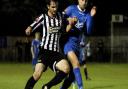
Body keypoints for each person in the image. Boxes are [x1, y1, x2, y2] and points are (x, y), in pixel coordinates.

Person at [24, 0, 73, 89]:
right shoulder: (43, 17)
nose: (55, 9)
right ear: (48, 6)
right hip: (44, 52)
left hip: (56, 53)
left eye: (56, 7)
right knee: (37, 74)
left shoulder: (60, 15)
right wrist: (29, 28)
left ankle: (47, 86)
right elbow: (33, 25)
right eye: (53, 7)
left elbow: (67, 25)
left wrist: (72, 21)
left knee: (66, 68)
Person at [60, 0, 96, 89]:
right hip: (68, 42)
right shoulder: (71, 9)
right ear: (79, 0)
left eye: (87, 0)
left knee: (72, 76)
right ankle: (81, 87)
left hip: (78, 46)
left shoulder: (87, 14)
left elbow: (88, 32)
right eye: (83, 0)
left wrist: (91, 17)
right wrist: (68, 20)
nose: (85, 2)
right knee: (76, 63)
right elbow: (59, 17)